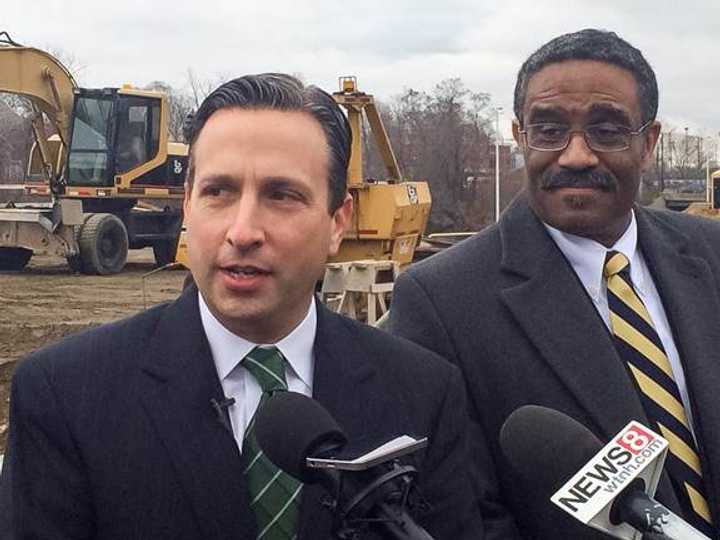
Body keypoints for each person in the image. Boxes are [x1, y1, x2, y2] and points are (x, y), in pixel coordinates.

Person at [0, 74, 484, 539]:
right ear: (187, 204)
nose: (243, 231)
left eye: (281, 195)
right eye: (218, 192)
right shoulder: (64, 394)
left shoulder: (425, 395)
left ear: (338, 220)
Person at [391, 29, 720, 539]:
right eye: (548, 130)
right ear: (521, 137)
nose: (576, 155)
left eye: (607, 130)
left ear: (648, 143)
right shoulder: (440, 304)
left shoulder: (711, 253)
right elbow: (465, 518)